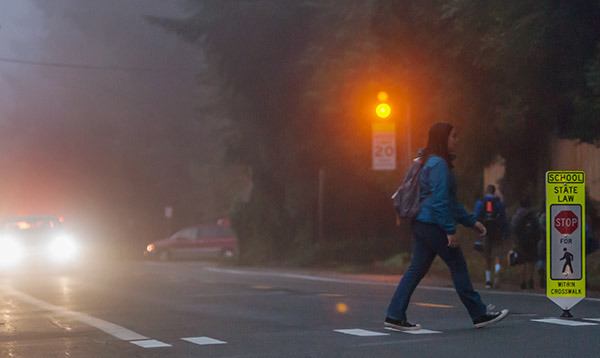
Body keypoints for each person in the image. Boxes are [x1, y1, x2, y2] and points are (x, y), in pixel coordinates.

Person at [384, 122, 509, 331]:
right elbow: (441, 201)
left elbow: (449, 201)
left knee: (416, 269)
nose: (456, 140)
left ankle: (394, 315)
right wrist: (449, 230)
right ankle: (479, 313)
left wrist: (471, 221)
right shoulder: (438, 165)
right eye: (454, 136)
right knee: (457, 265)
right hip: (433, 224)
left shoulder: (428, 162)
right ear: (443, 139)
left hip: (422, 223)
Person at [473, 185, 508, 288]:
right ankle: (497, 273)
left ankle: (488, 281)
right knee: (497, 254)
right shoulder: (499, 203)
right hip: (497, 232)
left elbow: (476, 217)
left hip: (485, 232)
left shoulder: (481, 202)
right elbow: (504, 219)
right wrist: (505, 232)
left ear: (486, 191)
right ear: (494, 192)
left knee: (487, 257)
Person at [510, 197, 540, 289]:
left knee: (521, 262)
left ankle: (522, 282)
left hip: (520, 242)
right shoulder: (533, 215)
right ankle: (530, 280)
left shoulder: (517, 215)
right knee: (531, 261)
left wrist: (515, 241)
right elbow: (537, 228)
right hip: (532, 241)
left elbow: (513, 228)